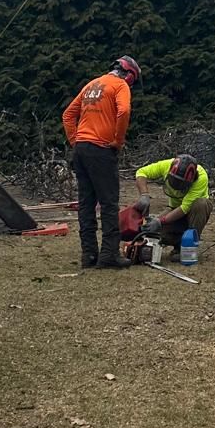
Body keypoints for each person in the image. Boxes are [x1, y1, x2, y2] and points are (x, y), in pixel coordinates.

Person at [62, 55, 140, 270]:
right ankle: (109, 255)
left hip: (81, 149)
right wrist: (118, 141)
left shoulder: (92, 84)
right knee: (108, 203)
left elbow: (68, 115)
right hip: (101, 150)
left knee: (86, 204)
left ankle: (88, 255)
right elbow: (124, 110)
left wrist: (75, 141)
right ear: (129, 74)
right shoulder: (120, 85)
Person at [133, 153, 214, 259]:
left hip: (192, 212)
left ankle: (189, 249)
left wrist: (160, 221)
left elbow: (185, 208)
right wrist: (144, 195)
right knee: (150, 229)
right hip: (174, 208)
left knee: (201, 204)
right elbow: (141, 172)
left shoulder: (201, 178)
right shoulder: (166, 165)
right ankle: (178, 244)